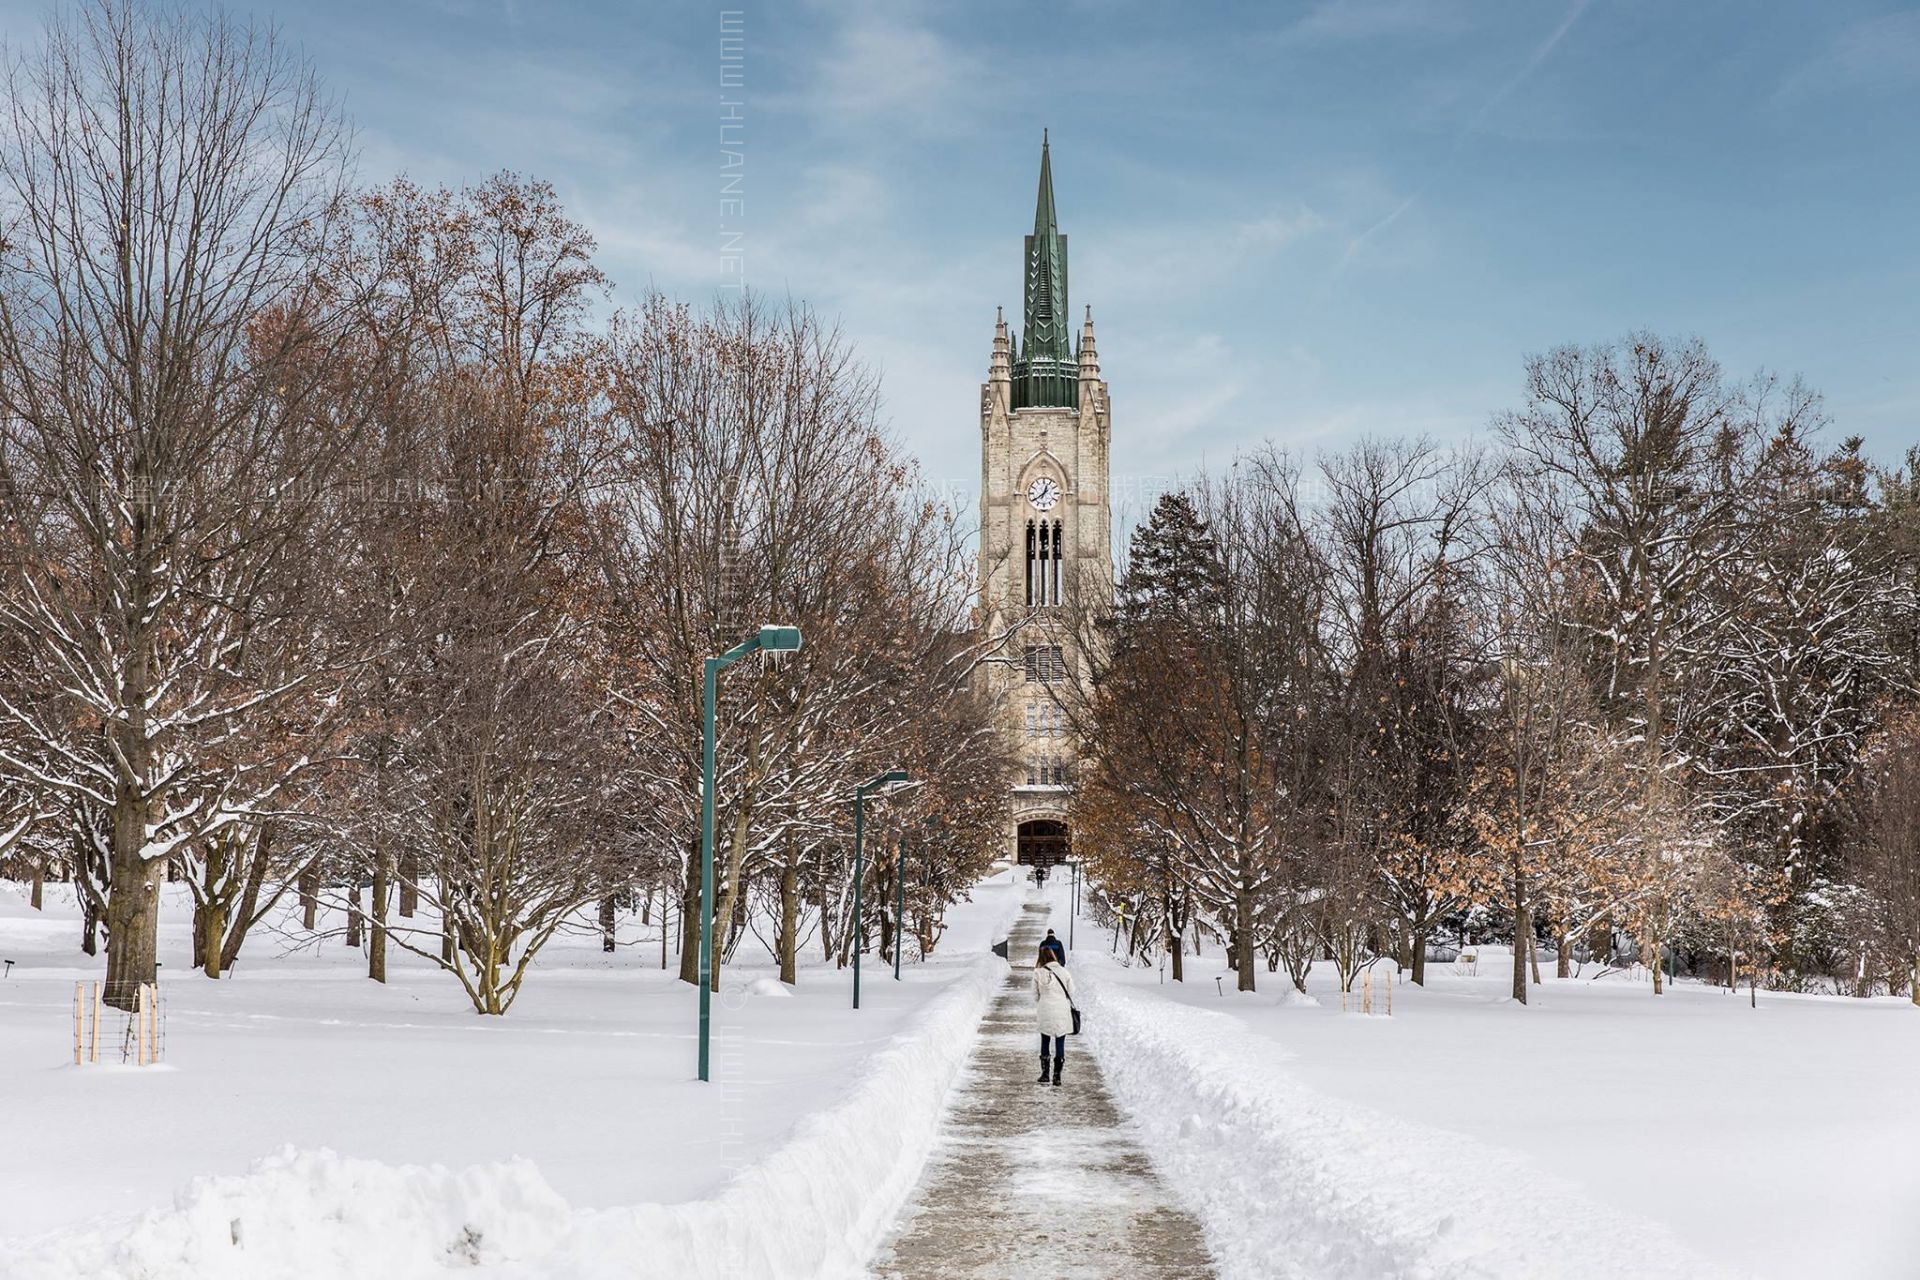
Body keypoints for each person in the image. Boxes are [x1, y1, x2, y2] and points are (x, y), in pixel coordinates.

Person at [1033, 945, 1076, 1086]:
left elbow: (1034, 995)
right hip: (1061, 1010)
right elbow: (1071, 991)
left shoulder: (1038, 973)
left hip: (1045, 1009)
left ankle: (1045, 1074)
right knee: (1060, 1041)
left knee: (1045, 1040)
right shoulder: (1064, 972)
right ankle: (1057, 1076)